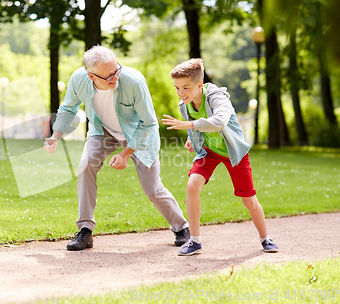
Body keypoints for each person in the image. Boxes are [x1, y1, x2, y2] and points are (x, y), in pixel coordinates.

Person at [44, 45, 190, 251]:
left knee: (152, 188)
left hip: (139, 135)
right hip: (103, 131)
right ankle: (85, 230)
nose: (115, 78)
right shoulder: (79, 79)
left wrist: (126, 154)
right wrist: (55, 137)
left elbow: (148, 123)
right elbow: (68, 108)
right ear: (91, 76)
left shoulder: (133, 81)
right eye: (108, 76)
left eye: (116, 70)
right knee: (86, 165)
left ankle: (182, 228)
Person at [161, 58, 279, 256]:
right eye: (177, 88)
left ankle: (265, 238)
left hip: (234, 152)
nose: (181, 93)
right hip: (209, 151)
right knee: (192, 185)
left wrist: (189, 126)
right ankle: (195, 241)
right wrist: (193, 139)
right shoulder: (185, 103)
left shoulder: (217, 97)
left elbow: (219, 122)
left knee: (249, 200)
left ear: (200, 84)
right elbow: (200, 126)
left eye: (186, 88)